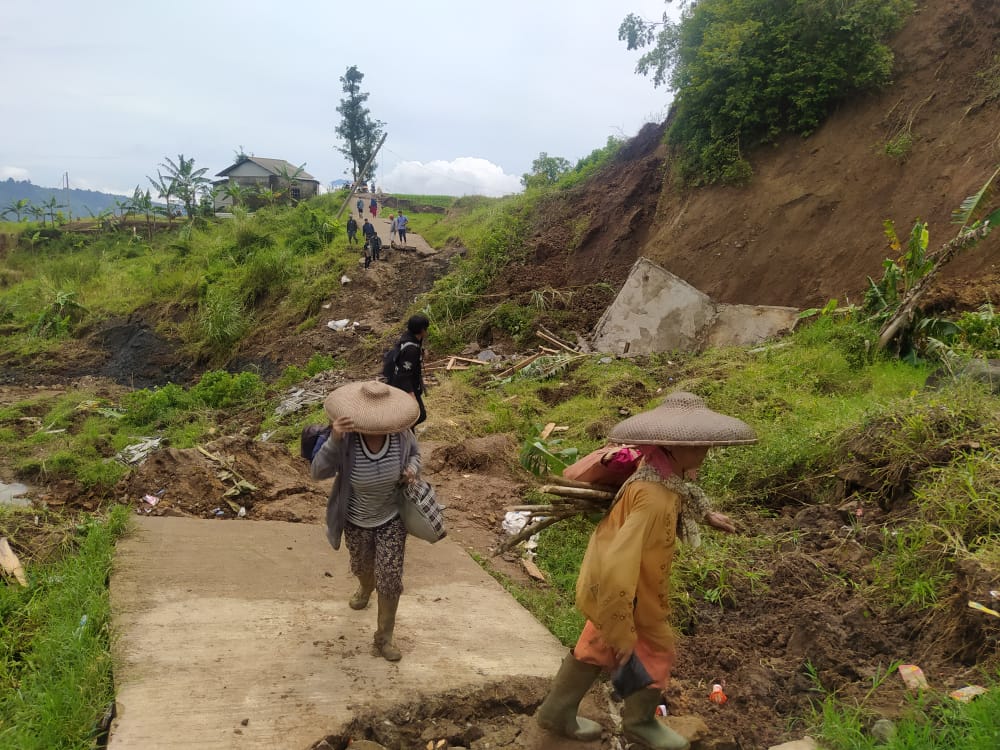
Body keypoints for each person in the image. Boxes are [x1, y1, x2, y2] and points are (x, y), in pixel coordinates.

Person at [535, 392, 755, 750]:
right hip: (630, 589)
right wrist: (622, 617)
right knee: (656, 648)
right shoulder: (651, 497)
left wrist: (708, 516)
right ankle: (639, 723)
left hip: (625, 585)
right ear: (671, 446)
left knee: (596, 642)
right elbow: (620, 561)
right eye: (698, 445)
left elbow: (679, 492)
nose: (705, 451)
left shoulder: (658, 475)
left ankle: (556, 712)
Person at [310, 381, 422, 662]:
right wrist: (333, 439)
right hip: (356, 519)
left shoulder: (401, 436)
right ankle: (365, 584)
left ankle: (384, 637)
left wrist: (411, 470)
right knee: (361, 566)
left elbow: (416, 456)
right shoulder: (347, 439)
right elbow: (318, 471)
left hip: (391, 517)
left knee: (391, 577)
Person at [387, 314, 429, 425]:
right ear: (422, 330)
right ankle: (400, 433)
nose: (427, 331)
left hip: (401, 382)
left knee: (413, 417)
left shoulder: (409, 337)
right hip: (405, 386)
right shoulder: (411, 350)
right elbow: (404, 374)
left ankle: (408, 437)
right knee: (418, 415)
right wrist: (411, 394)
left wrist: (421, 351)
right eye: (426, 328)